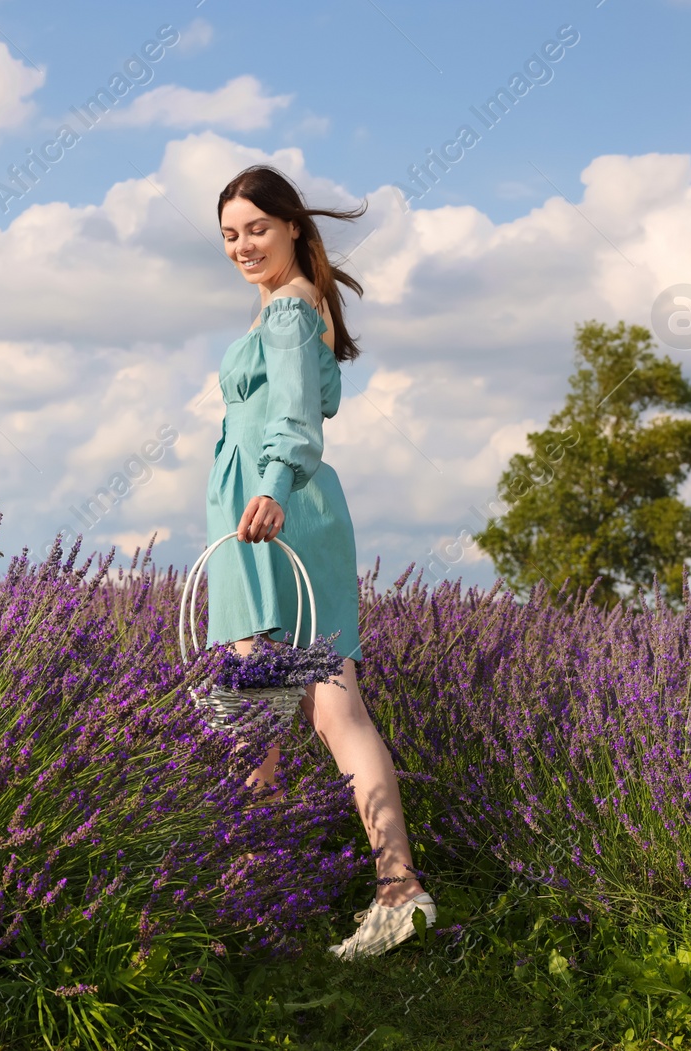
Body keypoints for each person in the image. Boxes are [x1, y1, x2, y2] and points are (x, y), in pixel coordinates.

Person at [205, 164, 434, 959]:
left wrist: (267, 487)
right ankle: (332, 895)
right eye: (230, 234)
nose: (242, 244)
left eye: (257, 229)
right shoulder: (287, 305)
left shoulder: (292, 311)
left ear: (294, 226)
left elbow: (300, 418)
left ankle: (264, 906)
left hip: (278, 519)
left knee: (294, 711)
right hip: (272, 518)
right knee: (287, 711)